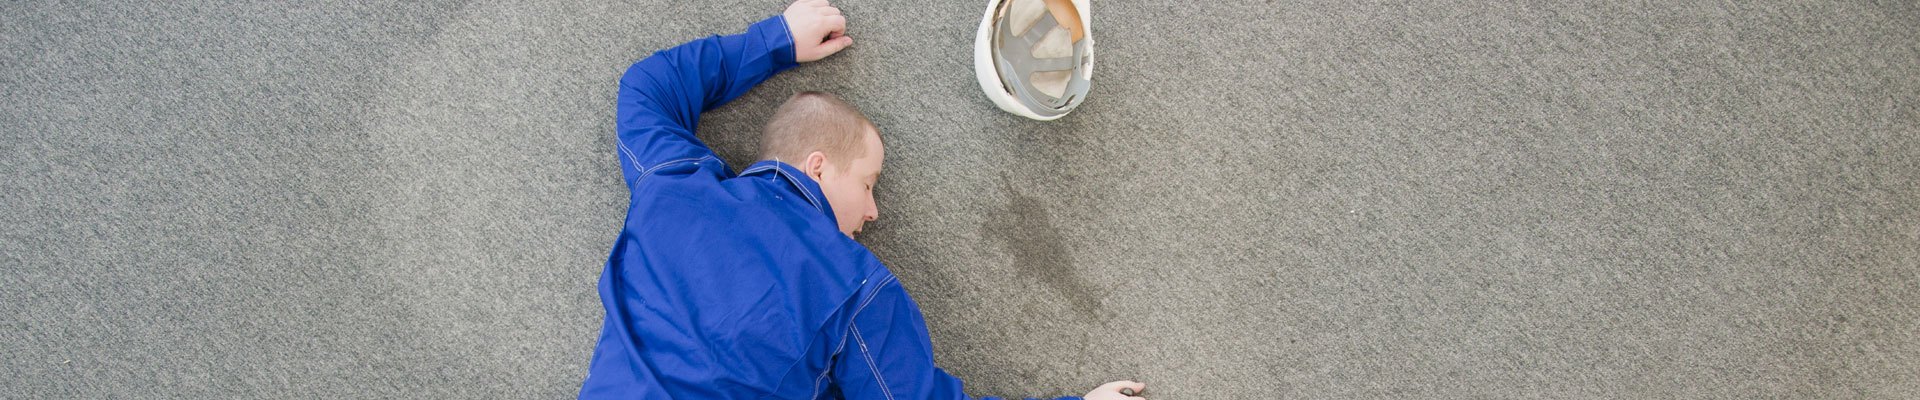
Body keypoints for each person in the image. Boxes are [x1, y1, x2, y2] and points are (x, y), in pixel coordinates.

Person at [578, 0, 1146, 399]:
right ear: (818, 166)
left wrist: (775, 39)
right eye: (868, 182)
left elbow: (646, 88)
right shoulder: (854, 285)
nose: (874, 212)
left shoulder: (675, 185)